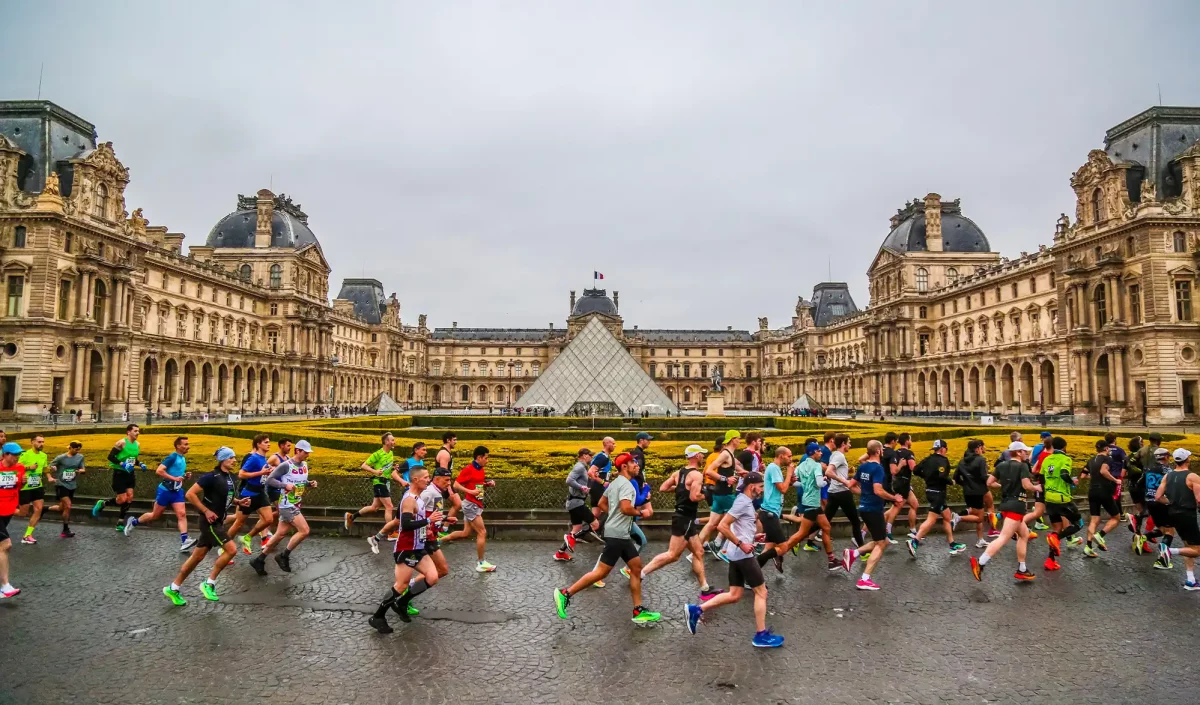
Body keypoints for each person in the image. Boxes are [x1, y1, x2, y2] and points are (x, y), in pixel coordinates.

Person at [554, 452, 661, 626]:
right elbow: (626, 508)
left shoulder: (615, 483)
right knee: (601, 573)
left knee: (635, 568)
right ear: (624, 466)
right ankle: (565, 593)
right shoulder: (626, 485)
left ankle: (638, 610)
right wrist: (642, 513)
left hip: (620, 533)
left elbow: (603, 503)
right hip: (618, 535)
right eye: (633, 463)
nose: (637, 465)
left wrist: (614, 514)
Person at [684, 472, 784, 648]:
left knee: (734, 595)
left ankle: (697, 609)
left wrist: (754, 536)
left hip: (736, 554)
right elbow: (723, 525)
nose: (761, 490)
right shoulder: (742, 502)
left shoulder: (744, 501)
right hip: (742, 554)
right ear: (752, 486)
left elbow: (740, 525)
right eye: (760, 487)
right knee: (762, 593)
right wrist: (741, 544)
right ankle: (760, 635)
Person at [162, 447, 251, 605]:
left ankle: (173, 588)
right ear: (223, 459)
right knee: (231, 549)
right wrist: (206, 511)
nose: (234, 461)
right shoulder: (210, 477)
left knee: (196, 557)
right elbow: (190, 493)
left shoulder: (229, 478)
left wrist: (238, 501)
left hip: (218, 520)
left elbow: (226, 496)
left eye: (234, 458)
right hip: (209, 522)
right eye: (231, 458)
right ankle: (209, 583)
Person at [369, 466, 445, 633]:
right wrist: (427, 521)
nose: (428, 480)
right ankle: (378, 616)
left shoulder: (418, 499)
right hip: (406, 548)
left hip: (418, 547)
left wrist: (430, 526)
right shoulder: (409, 499)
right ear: (415, 479)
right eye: (425, 477)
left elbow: (419, 521)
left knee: (432, 577)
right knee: (401, 585)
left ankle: (402, 603)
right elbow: (406, 524)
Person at [640, 445, 720, 599]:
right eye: (701, 454)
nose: (703, 457)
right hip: (685, 518)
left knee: (698, 552)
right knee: (673, 555)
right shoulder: (697, 475)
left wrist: (681, 488)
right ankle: (640, 574)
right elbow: (694, 497)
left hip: (683, 517)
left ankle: (705, 588)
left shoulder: (678, 473)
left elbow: (663, 488)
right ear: (696, 456)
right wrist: (706, 493)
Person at [970, 442, 1041, 582]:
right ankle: (981, 562)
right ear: (1019, 452)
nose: (1027, 454)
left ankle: (1022, 569)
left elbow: (989, 482)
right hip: (1017, 506)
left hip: (1006, 504)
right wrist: (1037, 488)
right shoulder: (1022, 466)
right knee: (1003, 537)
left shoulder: (1001, 465)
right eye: (1025, 451)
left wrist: (1004, 486)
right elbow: (1026, 485)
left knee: (1024, 534)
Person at [250, 441, 318, 575]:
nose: (307, 455)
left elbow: (299, 482)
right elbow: (270, 480)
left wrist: (309, 484)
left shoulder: (304, 465)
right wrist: (283, 485)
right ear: (298, 451)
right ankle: (284, 555)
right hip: (287, 505)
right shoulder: (285, 465)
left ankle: (259, 559)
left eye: (308, 453)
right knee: (304, 530)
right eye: (305, 452)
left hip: (296, 503)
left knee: (280, 534)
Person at [841, 440, 900, 590]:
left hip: (864, 508)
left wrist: (864, 495)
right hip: (874, 509)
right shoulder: (878, 469)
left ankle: (853, 553)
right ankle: (864, 579)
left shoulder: (863, 466)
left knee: (881, 541)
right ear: (879, 451)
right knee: (881, 543)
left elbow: (850, 485)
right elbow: (878, 490)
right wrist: (894, 498)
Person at [124, 437, 193, 551]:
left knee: (182, 514)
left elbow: (177, 474)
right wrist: (174, 478)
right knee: (155, 515)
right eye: (185, 444)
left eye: (188, 444)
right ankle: (134, 522)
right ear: (178, 446)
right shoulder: (172, 457)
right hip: (165, 490)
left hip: (177, 491)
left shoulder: (182, 458)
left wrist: (185, 475)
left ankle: (185, 541)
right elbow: (159, 471)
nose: (188, 446)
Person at [777, 442, 837, 570]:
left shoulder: (801, 465)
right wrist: (826, 479)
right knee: (801, 534)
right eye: (819, 451)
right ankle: (779, 553)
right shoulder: (816, 466)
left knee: (826, 527)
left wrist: (805, 484)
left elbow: (796, 483)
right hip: (812, 503)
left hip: (810, 502)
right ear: (813, 453)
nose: (821, 453)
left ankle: (832, 560)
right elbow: (820, 483)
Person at [907, 440, 966, 556]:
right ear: (943, 449)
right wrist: (951, 481)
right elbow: (942, 476)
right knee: (931, 519)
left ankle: (952, 543)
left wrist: (927, 477)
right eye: (946, 450)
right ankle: (914, 541)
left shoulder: (928, 459)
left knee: (947, 516)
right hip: (938, 493)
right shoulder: (943, 460)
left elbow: (916, 470)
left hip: (930, 491)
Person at [442, 446, 496, 572]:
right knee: (482, 532)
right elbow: (456, 484)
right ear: (479, 457)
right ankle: (481, 563)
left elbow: (477, 484)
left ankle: (440, 540)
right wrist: (470, 491)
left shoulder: (480, 469)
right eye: (486, 458)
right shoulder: (469, 469)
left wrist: (487, 484)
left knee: (466, 533)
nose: (487, 461)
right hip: (471, 505)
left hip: (475, 504)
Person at [1153, 449, 1200, 590]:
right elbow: (1199, 499)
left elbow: (1157, 497)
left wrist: (1170, 502)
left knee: (1188, 547)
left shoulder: (1168, 475)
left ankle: (1190, 580)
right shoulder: (1193, 477)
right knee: (1197, 550)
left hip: (1173, 513)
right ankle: (1169, 551)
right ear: (1187, 460)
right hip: (1187, 514)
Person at [1041, 436, 1085, 571]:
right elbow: (1064, 474)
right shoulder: (1066, 459)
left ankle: (1050, 560)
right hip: (1062, 499)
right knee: (1079, 524)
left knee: (1057, 528)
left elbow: (1041, 479)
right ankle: (1056, 538)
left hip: (1049, 499)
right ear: (1065, 447)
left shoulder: (1047, 459)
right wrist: (1072, 482)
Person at [225, 433, 274, 552]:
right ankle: (224, 546)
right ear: (258, 444)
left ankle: (247, 537)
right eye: (266, 442)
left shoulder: (263, 458)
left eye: (269, 442)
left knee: (269, 519)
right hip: (249, 494)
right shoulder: (253, 458)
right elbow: (241, 474)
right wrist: (261, 473)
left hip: (261, 492)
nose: (269, 444)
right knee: (239, 522)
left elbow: (262, 474)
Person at [698, 430, 743, 557]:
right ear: (733, 439)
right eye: (738, 438)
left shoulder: (730, 454)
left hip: (719, 494)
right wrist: (725, 479)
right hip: (725, 494)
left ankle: (694, 551)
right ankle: (719, 546)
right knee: (735, 520)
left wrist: (752, 474)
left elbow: (738, 469)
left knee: (711, 524)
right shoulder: (725, 454)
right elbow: (709, 471)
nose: (740, 441)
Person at [345, 432, 399, 532]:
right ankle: (390, 532)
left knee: (374, 507)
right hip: (379, 482)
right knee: (389, 506)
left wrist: (394, 467)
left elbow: (385, 467)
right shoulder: (377, 454)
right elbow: (364, 465)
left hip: (386, 482)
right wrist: (375, 471)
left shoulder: (391, 453)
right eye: (392, 440)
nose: (394, 442)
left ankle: (351, 517)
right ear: (386, 442)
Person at [93, 424, 145, 526]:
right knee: (122, 499)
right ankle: (103, 503)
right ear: (128, 432)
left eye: (138, 431)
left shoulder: (137, 444)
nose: (137, 433)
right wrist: (122, 464)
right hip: (119, 473)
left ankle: (120, 522)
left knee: (130, 497)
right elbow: (110, 456)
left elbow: (132, 459)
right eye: (135, 431)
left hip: (130, 474)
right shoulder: (121, 443)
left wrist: (140, 464)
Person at [556, 448, 600, 561]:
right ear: (584, 456)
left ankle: (560, 553)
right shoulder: (579, 467)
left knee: (577, 527)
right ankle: (571, 537)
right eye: (590, 455)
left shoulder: (583, 468)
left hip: (574, 502)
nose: (591, 458)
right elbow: (569, 480)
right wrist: (581, 487)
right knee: (595, 524)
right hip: (576, 503)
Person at [824, 433, 864, 551]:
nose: (850, 445)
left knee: (824, 522)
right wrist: (845, 481)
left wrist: (849, 476)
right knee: (856, 522)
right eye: (849, 442)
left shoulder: (835, 455)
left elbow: (834, 472)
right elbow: (829, 472)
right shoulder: (839, 456)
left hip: (833, 492)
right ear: (843, 444)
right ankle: (862, 551)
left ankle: (798, 540)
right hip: (842, 493)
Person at [1082, 440, 1121, 558]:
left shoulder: (1091, 460)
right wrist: (1115, 480)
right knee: (1116, 517)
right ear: (1106, 449)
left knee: (1094, 519)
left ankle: (1088, 546)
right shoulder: (1107, 459)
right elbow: (1103, 471)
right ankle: (1100, 535)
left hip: (1092, 491)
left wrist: (1094, 477)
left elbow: (1083, 475)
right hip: (1103, 491)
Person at [756, 445, 792, 572]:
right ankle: (750, 570)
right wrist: (789, 473)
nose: (790, 459)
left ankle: (751, 576)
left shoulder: (773, 468)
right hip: (770, 513)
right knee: (783, 547)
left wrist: (790, 480)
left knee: (769, 547)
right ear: (781, 455)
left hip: (770, 513)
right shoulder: (774, 468)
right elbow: (783, 489)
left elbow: (780, 487)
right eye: (789, 456)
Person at [0, 442, 26, 598]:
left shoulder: (20, 468)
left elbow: (16, 487)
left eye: (18, 454)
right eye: (14, 454)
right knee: (5, 544)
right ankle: (5, 586)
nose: (17, 457)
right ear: (5, 455)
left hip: (8, 510)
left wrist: (22, 483)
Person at [954, 440, 990, 548]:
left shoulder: (962, 461)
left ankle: (980, 539)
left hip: (967, 491)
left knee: (976, 514)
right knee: (979, 517)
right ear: (977, 448)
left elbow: (955, 478)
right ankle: (959, 517)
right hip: (978, 491)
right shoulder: (981, 459)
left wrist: (965, 484)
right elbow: (984, 476)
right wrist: (992, 480)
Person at [1142, 447, 1174, 568]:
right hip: (1162, 502)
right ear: (1165, 457)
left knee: (1162, 529)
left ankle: (1144, 537)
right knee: (1170, 531)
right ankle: (1163, 559)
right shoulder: (1168, 470)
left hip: (1149, 501)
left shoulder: (1148, 469)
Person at [46, 441, 86, 537]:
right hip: (61, 484)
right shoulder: (61, 458)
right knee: (68, 506)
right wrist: (51, 474)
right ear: (70, 448)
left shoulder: (80, 457)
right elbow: (48, 467)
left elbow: (83, 469)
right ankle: (65, 529)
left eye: (79, 450)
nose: (77, 451)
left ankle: (45, 509)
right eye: (75, 449)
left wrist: (81, 471)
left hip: (72, 484)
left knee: (62, 507)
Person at [15, 435, 49, 544]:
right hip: (25, 487)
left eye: (43, 442)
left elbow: (44, 468)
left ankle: (27, 535)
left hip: (37, 486)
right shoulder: (24, 455)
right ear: (32, 442)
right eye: (39, 442)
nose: (41, 444)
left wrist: (50, 473)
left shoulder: (44, 456)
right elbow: (15, 468)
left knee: (38, 509)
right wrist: (29, 468)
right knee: (22, 513)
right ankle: (4, 509)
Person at [886, 432, 919, 541]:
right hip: (904, 483)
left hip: (898, 482)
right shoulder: (909, 453)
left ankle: (913, 530)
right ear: (907, 441)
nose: (912, 442)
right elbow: (912, 467)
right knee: (897, 507)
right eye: (911, 439)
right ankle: (888, 530)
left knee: (914, 504)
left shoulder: (895, 452)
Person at [587, 437, 616, 526]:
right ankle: (598, 530)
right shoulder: (602, 457)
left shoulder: (603, 456)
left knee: (596, 513)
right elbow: (590, 472)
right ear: (607, 444)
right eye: (613, 443)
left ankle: (585, 532)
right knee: (609, 509)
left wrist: (616, 473)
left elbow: (602, 472)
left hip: (595, 487)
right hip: (599, 487)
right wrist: (603, 482)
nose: (615, 445)